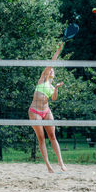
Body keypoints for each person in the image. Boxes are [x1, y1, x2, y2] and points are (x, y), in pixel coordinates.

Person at [28, 42, 67, 173]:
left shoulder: (51, 87)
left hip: (46, 111)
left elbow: (54, 98)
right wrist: (58, 50)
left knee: (53, 136)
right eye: (50, 69)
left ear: (54, 75)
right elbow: (52, 62)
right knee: (41, 138)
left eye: (53, 70)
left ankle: (61, 163)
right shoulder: (43, 79)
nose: (51, 70)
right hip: (34, 112)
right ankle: (48, 166)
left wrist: (56, 89)